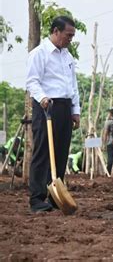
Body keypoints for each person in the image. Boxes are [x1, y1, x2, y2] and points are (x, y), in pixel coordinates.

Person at [26, 15, 81, 213]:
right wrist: (42, 98)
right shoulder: (39, 53)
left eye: (72, 36)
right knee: (42, 152)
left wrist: (75, 111)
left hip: (64, 107)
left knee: (60, 153)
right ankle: (37, 198)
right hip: (46, 105)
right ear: (56, 31)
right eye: (68, 35)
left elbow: (73, 86)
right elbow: (32, 81)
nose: (70, 39)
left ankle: (55, 196)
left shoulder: (68, 56)